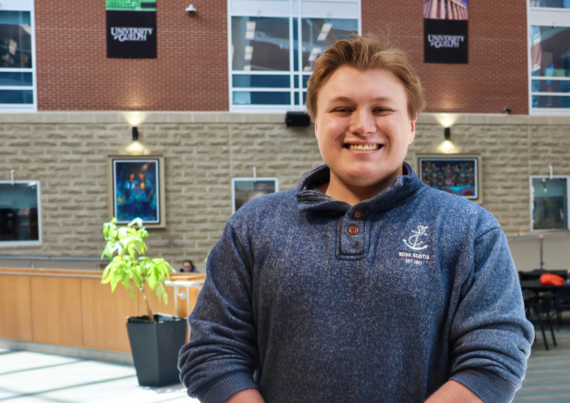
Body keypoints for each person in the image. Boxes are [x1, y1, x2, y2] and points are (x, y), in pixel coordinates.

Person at [178, 35, 533, 403]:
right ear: (317, 124)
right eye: (342, 109)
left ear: (411, 125)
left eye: (381, 109)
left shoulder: (470, 230)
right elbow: (213, 352)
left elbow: (495, 359)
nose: (363, 125)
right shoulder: (253, 226)